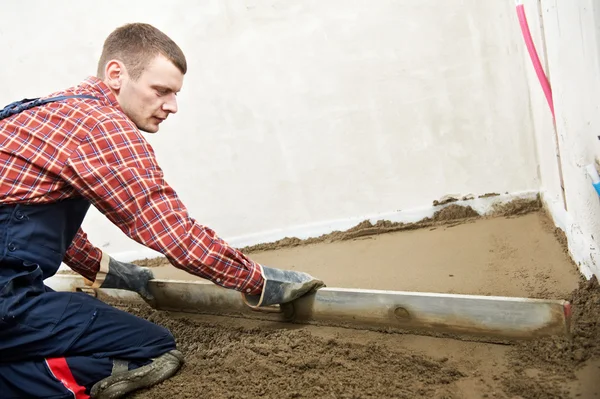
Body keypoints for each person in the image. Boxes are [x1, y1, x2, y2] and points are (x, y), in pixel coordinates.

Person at [0, 23, 324, 399]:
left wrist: (111, 273)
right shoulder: (100, 127)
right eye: (161, 90)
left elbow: (37, 220)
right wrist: (261, 282)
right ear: (116, 74)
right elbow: (174, 233)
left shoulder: (42, 115)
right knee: (149, 348)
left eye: (175, 93)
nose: (172, 105)